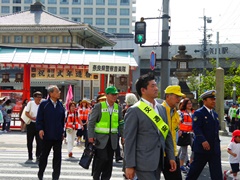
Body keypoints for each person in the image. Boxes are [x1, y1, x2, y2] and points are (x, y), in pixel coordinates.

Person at [124, 73, 176, 180]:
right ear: (143, 90)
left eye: (156, 85)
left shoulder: (161, 109)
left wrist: (171, 156)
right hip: (142, 162)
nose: (156, 88)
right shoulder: (134, 110)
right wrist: (129, 165)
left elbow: (167, 134)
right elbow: (129, 140)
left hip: (158, 161)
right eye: (152, 86)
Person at [88, 85, 124, 180]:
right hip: (100, 139)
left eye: (116, 94)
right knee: (102, 159)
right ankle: (96, 176)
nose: (115, 96)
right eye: (112, 94)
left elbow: (121, 123)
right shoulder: (99, 106)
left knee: (109, 162)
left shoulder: (118, 108)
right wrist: (90, 136)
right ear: (106, 95)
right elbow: (91, 123)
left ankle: (106, 178)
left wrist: (123, 136)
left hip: (112, 140)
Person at [186, 90, 223, 180]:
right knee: (194, 172)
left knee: (217, 174)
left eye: (214, 99)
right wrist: (203, 140)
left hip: (214, 149)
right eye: (211, 99)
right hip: (203, 149)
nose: (213, 101)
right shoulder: (199, 113)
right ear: (204, 101)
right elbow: (196, 128)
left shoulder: (214, 114)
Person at [36, 85, 65, 180]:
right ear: (51, 93)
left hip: (57, 136)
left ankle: (55, 177)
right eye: (57, 91)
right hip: (46, 135)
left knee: (57, 158)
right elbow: (39, 119)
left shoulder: (60, 105)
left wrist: (62, 132)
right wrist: (40, 129)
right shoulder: (44, 105)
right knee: (44, 156)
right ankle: (40, 173)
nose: (59, 93)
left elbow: (62, 120)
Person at [161, 85, 185, 180]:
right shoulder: (159, 110)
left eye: (180, 97)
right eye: (176, 96)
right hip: (160, 153)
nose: (179, 99)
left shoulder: (175, 112)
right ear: (167, 96)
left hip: (172, 153)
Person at [25, 92, 42, 161]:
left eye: (40, 97)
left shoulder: (42, 104)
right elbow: (26, 112)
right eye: (38, 97)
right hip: (31, 124)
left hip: (39, 124)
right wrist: (32, 118)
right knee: (30, 141)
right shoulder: (30, 103)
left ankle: (38, 155)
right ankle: (30, 155)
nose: (39, 99)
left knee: (39, 141)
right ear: (34, 97)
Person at [178, 98, 194, 173]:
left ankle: (190, 164)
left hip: (192, 134)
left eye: (191, 103)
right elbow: (178, 123)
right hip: (184, 134)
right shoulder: (181, 112)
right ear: (185, 104)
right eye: (188, 103)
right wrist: (179, 131)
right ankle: (181, 166)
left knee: (194, 150)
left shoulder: (194, 112)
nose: (190, 105)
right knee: (184, 151)